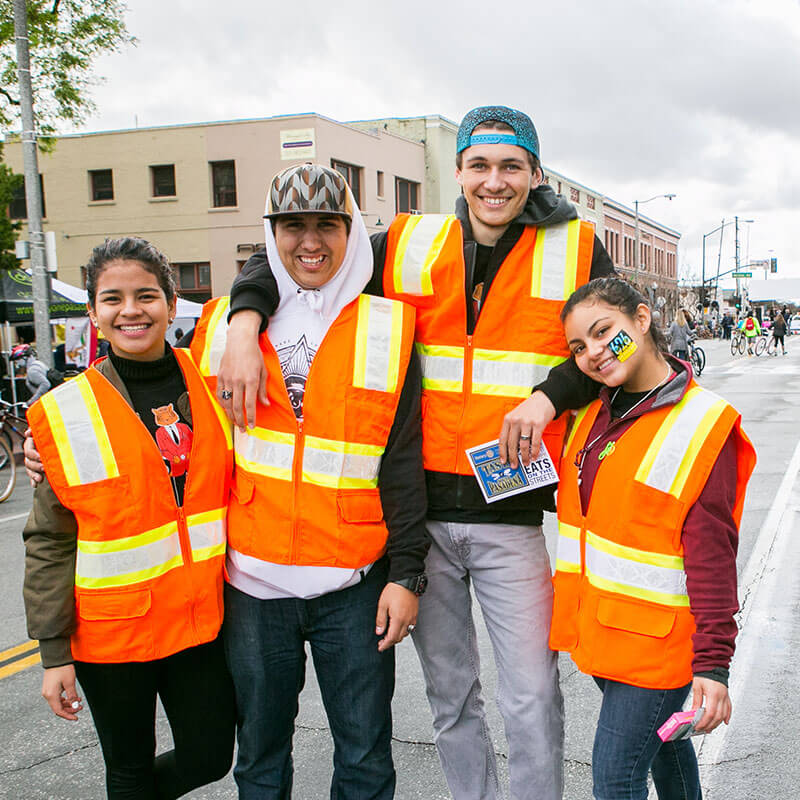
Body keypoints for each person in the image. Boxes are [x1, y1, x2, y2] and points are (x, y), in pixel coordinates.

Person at [217, 107, 616, 800]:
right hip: (422, 519)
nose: (495, 181)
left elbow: (622, 342)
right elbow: (298, 252)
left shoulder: (578, 247)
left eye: (511, 166)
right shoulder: (404, 241)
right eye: (480, 165)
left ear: (534, 173)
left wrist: (550, 395)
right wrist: (244, 321)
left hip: (509, 516)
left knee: (531, 697)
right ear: (457, 171)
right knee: (451, 699)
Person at [189, 162, 428, 799]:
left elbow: (402, 463)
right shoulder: (220, 325)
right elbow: (170, 430)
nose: (310, 241)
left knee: (366, 758)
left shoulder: (390, 326)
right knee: (261, 760)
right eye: (292, 226)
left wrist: (406, 574)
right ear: (271, 235)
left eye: (328, 225)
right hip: (253, 586)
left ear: (352, 232)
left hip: (353, 585)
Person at [22, 237, 237, 798]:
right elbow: (48, 540)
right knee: (129, 769)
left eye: (146, 295)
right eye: (112, 299)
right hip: (111, 637)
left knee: (210, 755)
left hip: (199, 622)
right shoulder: (65, 413)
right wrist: (53, 653)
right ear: (93, 312)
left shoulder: (216, 379)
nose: (131, 310)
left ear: (170, 302)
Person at [550, 277, 756, 800]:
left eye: (604, 332)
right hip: (604, 635)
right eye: (579, 347)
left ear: (641, 320)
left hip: (659, 649)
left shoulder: (701, 423)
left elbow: (713, 559)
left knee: (615, 779)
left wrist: (713, 663)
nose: (594, 352)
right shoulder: (593, 416)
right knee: (666, 750)